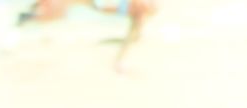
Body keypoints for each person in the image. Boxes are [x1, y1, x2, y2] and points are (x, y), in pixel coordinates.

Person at [17, 0, 158, 71]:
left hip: (94, 4)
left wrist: (118, 61)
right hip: (94, 3)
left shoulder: (139, 15)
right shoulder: (137, 6)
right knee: (58, 13)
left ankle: (28, 16)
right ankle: (31, 13)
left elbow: (129, 39)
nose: (147, 6)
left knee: (58, 14)